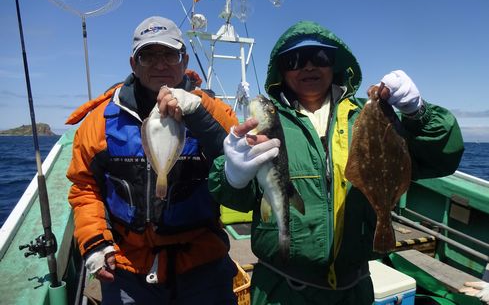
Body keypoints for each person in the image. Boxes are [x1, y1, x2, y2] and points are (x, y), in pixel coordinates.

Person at [208, 20, 464, 304]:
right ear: (281, 71)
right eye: (294, 60)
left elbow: (441, 158)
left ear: (335, 64)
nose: (308, 67)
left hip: (353, 290)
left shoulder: (367, 118)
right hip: (280, 292)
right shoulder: (263, 126)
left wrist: (420, 113)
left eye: (319, 58)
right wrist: (232, 177)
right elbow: (236, 199)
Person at [66, 16, 239, 304]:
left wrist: (199, 114)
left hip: (202, 264)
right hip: (128, 268)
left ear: (183, 60)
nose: (160, 64)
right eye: (148, 56)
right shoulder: (99, 121)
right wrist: (95, 242)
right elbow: (84, 188)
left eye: (169, 54)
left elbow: (237, 163)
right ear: (133, 64)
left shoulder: (212, 111)